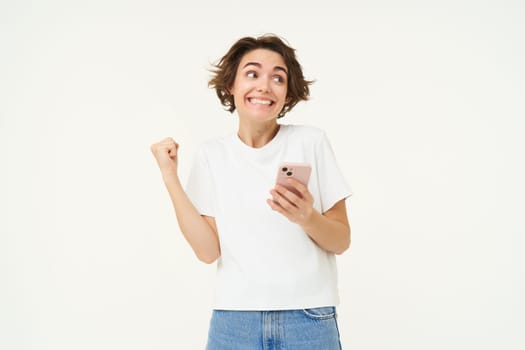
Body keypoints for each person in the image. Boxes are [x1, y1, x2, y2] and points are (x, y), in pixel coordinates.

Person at [151, 34, 352, 350]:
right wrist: (169, 177)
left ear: (287, 93)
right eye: (252, 73)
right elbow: (207, 252)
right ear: (231, 85)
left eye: (278, 78)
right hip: (234, 322)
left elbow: (341, 240)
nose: (265, 86)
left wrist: (307, 217)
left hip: (308, 318)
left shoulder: (310, 142)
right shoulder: (211, 155)